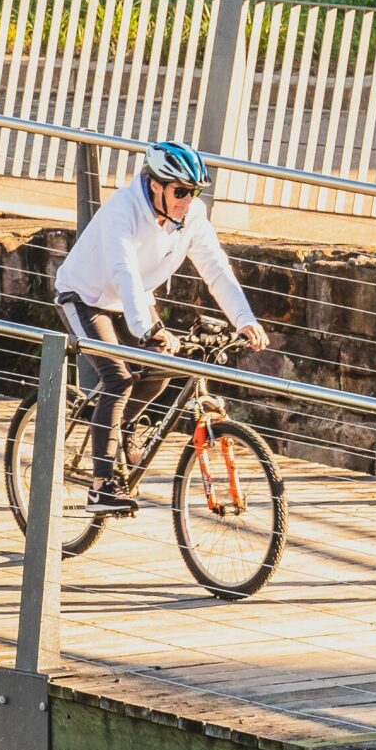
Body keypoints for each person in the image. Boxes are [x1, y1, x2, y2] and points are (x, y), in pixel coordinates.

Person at [51, 139, 270, 512]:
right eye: (180, 191)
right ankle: (100, 487)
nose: (188, 200)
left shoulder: (192, 216)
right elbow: (123, 272)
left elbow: (216, 269)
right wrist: (148, 329)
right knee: (118, 377)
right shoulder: (122, 209)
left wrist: (245, 320)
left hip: (134, 299)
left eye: (194, 192)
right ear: (155, 185)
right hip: (85, 297)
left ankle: (124, 427)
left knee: (161, 368)